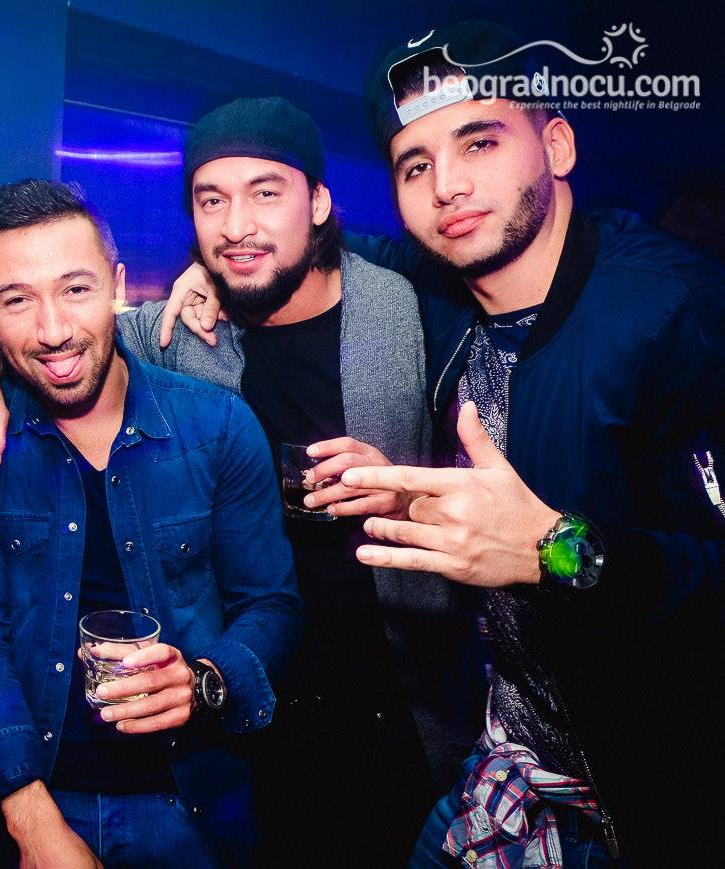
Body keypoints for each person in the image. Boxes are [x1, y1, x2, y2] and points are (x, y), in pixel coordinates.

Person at [166, 20, 725, 866]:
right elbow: (312, 255)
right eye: (416, 165)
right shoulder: (441, 297)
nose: (448, 186)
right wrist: (217, 265)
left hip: (644, 788)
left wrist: (554, 549)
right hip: (505, 768)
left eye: (480, 142)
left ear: (557, 145)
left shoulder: (680, 312)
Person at [0, 97, 481, 861]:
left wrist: (412, 495)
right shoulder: (179, 332)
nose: (237, 225)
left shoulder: (414, 314)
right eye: (211, 200)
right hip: (260, 741)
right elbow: (56, 328)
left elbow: (506, 484)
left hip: (395, 704)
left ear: (319, 202)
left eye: (265, 192)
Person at [0, 179, 302, 867]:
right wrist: (33, 823)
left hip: (192, 803)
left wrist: (204, 681)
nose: (53, 331)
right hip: (24, 798)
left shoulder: (217, 425)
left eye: (75, 289)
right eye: (17, 300)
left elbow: (270, 604)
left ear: (118, 287)